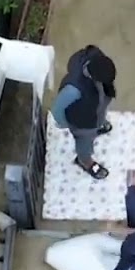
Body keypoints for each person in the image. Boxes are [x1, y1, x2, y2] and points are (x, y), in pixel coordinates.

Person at [52, 45, 116, 180]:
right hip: (83, 123)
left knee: (99, 112)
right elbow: (57, 109)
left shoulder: (94, 57)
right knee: (84, 144)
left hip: (95, 110)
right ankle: (85, 161)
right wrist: (66, 124)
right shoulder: (73, 90)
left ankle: (100, 124)